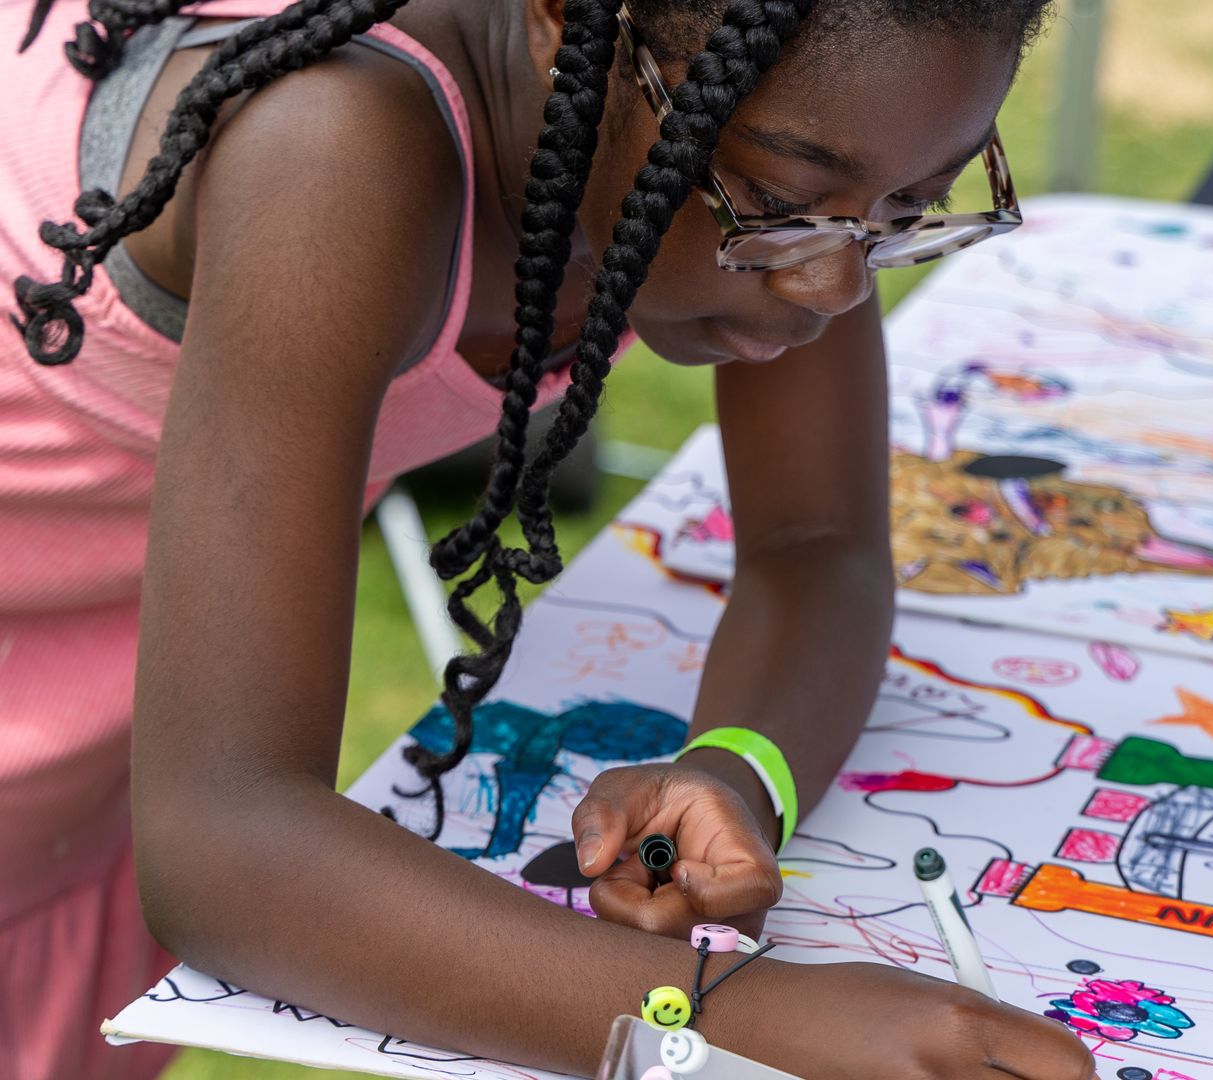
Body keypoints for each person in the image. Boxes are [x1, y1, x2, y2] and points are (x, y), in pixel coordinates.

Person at [0, 0, 1093, 1076]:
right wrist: (729, 1016)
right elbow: (223, 847)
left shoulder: (775, 143)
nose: (833, 281)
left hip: (139, 708)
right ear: (567, 25)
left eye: (913, 205)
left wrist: (734, 770)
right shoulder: (334, 146)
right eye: (787, 201)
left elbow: (816, 540)